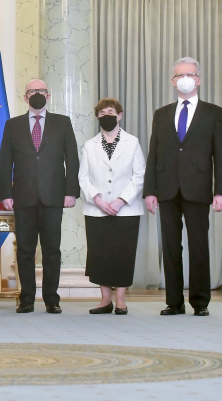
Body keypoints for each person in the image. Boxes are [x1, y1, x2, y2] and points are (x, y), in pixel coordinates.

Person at [143, 57, 222, 317]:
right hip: (166, 188)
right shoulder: (161, 114)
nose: (185, 78)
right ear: (172, 81)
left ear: (199, 80)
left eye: (189, 74)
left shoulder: (213, 113)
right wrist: (149, 191)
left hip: (198, 188)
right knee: (170, 246)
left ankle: (200, 302)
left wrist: (221, 191)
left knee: (198, 246)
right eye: (179, 75)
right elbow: (153, 153)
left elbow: (220, 155)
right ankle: (174, 302)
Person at [0, 79, 79, 314]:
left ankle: (52, 299)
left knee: (52, 250)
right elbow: (5, 162)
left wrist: (71, 191)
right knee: (25, 250)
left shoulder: (62, 123)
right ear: (25, 97)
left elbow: (72, 159)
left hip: (54, 197)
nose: (37, 94)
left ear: (48, 95)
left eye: (41, 91)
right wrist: (5, 193)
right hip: (22, 197)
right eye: (32, 91)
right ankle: (27, 299)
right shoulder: (12, 125)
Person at [78, 98, 146, 315]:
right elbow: (83, 177)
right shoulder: (90, 145)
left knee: (122, 254)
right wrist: (97, 199)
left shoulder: (132, 142)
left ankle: (121, 300)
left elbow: (139, 175)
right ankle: (105, 300)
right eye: (102, 113)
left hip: (126, 209)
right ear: (97, 117)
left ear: (120, 115)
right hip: (97, 210)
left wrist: (120, 201)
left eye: (111, 112)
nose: (107, 116)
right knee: (101, 255)